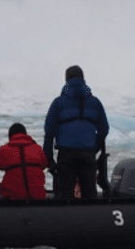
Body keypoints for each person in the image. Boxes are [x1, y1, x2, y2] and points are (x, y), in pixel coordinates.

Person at [44, 65, 109, 199]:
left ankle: (66, 219)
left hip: (66, 154)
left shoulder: (58, 103)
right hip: (88, 154)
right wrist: (93, 148)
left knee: (65, 195)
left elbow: (49, 131)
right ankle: (91, 218)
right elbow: (104, 129)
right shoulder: (95, 102)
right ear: (83, 79)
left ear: (66, 79)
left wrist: (49, 158)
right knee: (90, 194)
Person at [0, 122, 48, 200]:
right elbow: (44, 164)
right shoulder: (37, 148)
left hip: (12, 197)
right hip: (38, 196)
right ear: (25, 134)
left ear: (10, 135)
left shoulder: (4, 149)